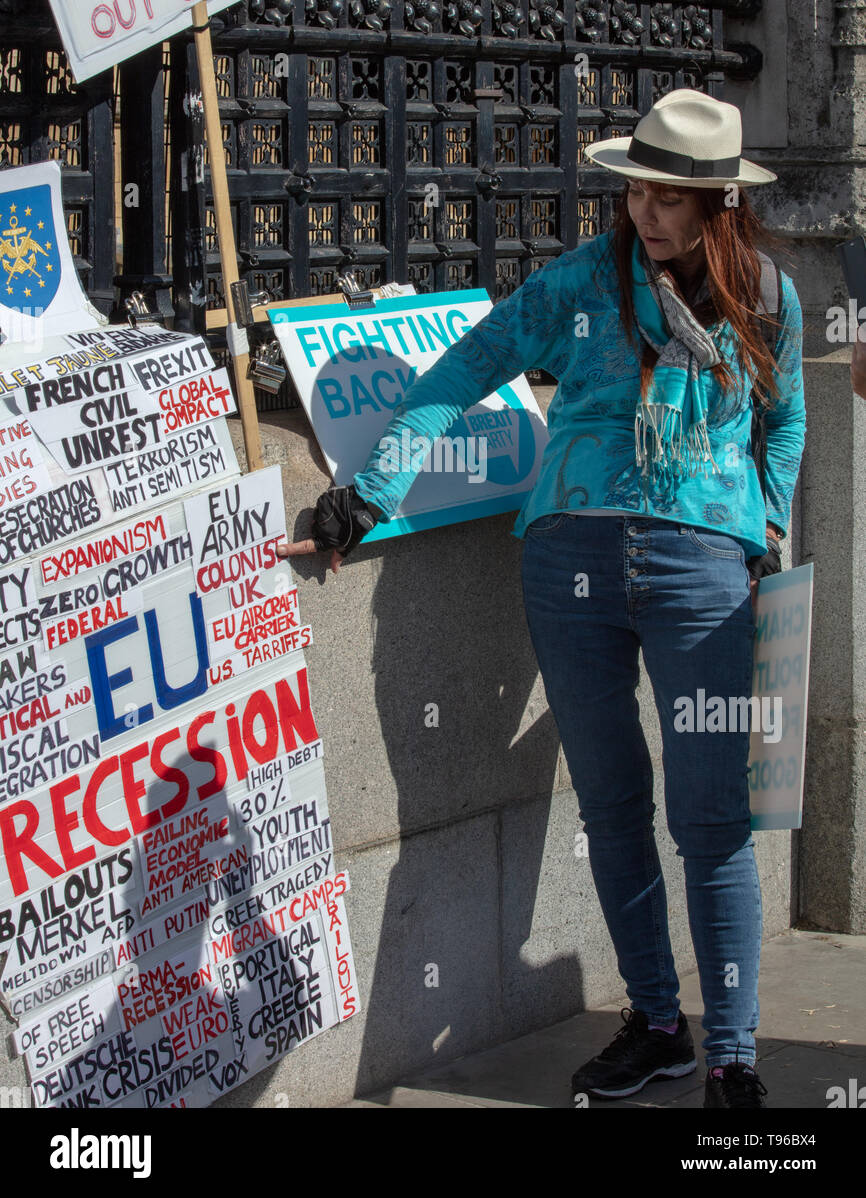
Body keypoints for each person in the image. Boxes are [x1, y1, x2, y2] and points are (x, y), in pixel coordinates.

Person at [278, 89, 806, 1109]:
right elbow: (463, 366)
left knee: (711, 819)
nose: (643, 213)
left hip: (704, 577)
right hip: (568, 569)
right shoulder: (576, 285)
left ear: (718, 203)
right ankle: (656, 1023)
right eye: (635, 192)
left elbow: (781, 423)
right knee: (610, 805)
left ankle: (733, 1056)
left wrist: (764, 524)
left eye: (668, 197)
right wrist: (369, 495)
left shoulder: (770, 301)